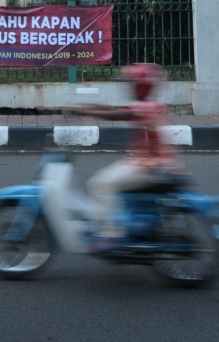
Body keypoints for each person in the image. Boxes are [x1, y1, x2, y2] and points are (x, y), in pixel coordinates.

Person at [70, 63, 183, 246]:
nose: (130, 88)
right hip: (150, 163)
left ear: (141, 86)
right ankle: (121, 222)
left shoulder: (144, 108)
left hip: (150, 167)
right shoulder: (149, 105)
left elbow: (115, 115)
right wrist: (91, 105)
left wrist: (83, 111)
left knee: (99, 185)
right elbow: (114, 110)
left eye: (133, 84)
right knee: (104, 179)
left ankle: (112, 235)